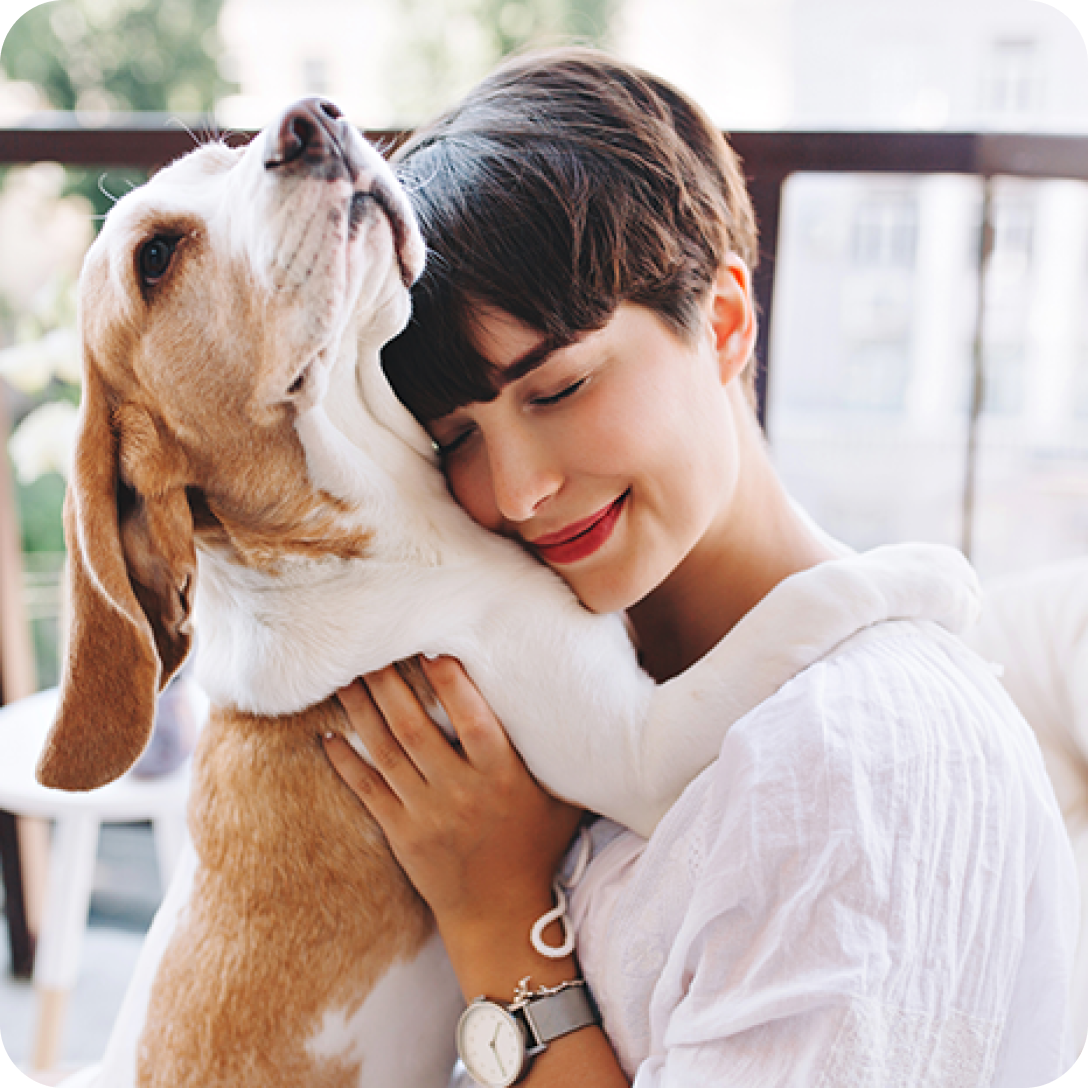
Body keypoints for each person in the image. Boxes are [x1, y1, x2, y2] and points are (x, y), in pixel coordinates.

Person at [322, 48, 1079, 1086]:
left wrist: (495, 915)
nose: (519, 488)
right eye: (457, 437)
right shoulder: (557, 696)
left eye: (559, 388)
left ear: (722, 320)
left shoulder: (853, 760)